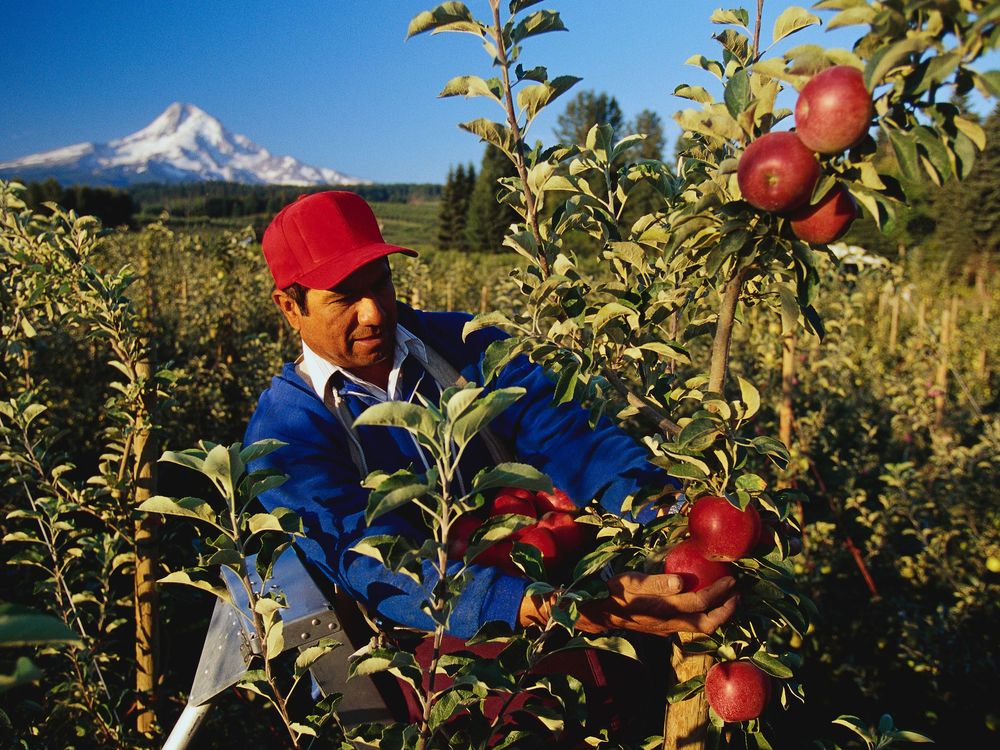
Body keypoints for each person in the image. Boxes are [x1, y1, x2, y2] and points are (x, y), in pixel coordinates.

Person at [244, 190, 737, 733]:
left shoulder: (464, 346)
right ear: (290, 307)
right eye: (343, 298)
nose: (374, 311)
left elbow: (569, 434)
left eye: (380, 281)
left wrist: (661, 515)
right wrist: (538, 605)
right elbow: (371, 559)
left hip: (577, 604)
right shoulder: (287, 433)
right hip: (453, 660)